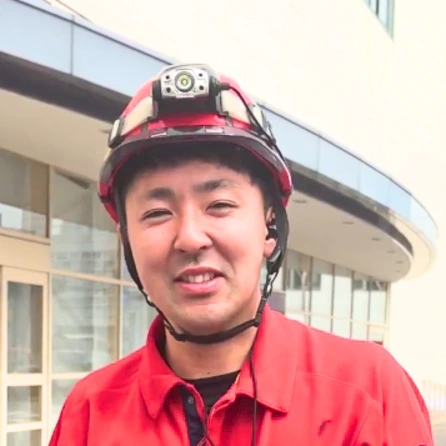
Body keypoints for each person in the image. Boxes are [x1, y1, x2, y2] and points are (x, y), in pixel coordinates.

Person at [49, 63, 434, 445]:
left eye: (219, 205)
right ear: (127, 240)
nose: (190, 238)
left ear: (270, 226)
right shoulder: (89, 413)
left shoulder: (367, 394)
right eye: (157, 213)